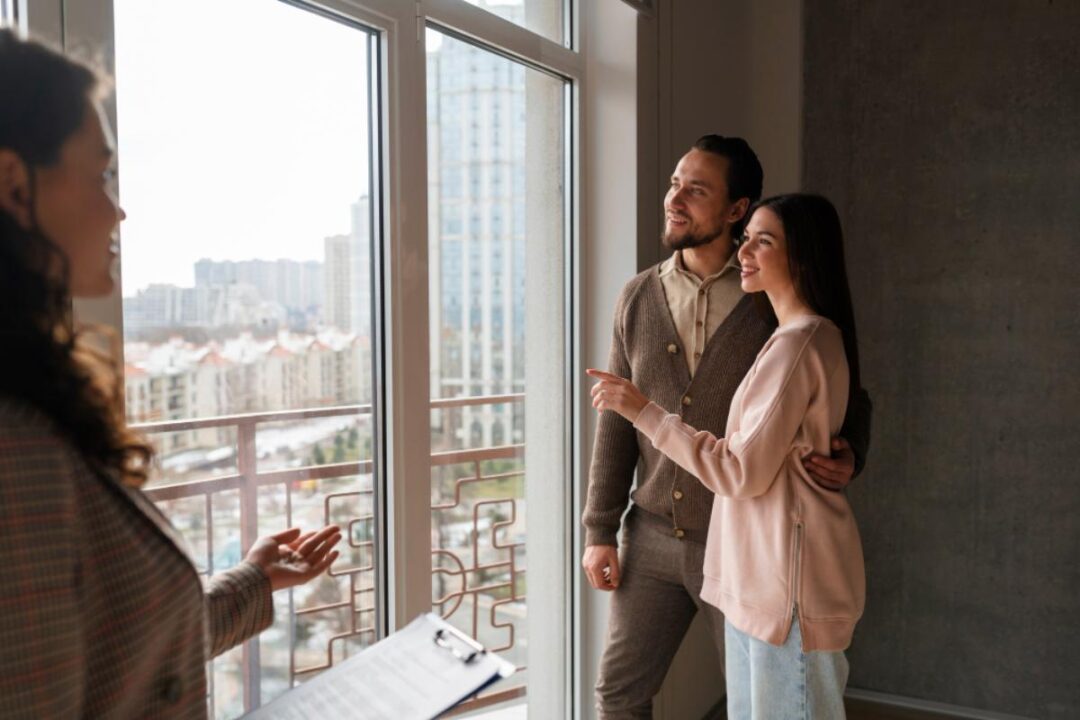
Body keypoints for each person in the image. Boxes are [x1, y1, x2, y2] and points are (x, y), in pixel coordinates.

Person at [0, 29, 341, 717]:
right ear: (13, 185)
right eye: (100, 177)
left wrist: (255, 580)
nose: (118, 210)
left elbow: (123, 656)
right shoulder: (14, 448)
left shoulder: (32, 399)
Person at [581, 136, 872, 719]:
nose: (674, 199)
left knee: (765, 698)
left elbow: (841, 390)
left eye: (696, 190)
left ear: (736, 208)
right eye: (674, 184)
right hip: (652, 533)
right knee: (619, 694)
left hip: (744, 540)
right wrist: (599, 528)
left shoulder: (771, 300)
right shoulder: (638, 297)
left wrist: (850, 450)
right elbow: (616, 419)